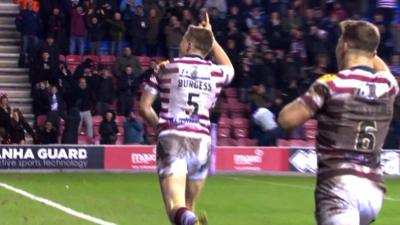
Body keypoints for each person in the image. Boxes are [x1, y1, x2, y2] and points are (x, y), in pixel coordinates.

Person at [278, 20, 398, 225]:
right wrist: (371, 51)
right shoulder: (388, 85)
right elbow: (384, 71)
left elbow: (286, 121)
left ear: (345, 46)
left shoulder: (331, 84)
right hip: (373, 191)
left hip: (338, 187)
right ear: (373, 51)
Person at [140, 12, 234, 225]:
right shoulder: (215, 73)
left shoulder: (165, 68)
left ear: (190, 45)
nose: (181, 42)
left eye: (183, 39)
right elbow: (230, 68)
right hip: (202, 143)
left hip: (173, 137)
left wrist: (159, 127)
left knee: (175, 208)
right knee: (187, 208)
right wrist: (213, 39)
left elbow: (144, 108)